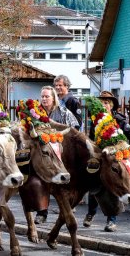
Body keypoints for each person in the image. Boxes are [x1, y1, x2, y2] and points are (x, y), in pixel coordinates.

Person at [84, 91, 130, 232]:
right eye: (101, 103)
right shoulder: (95, 120)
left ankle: (111, 221)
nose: (104, 105)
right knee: (94, 185)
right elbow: (92, 139)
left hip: (116, 159)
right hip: (101, 157)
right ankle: (91, 213)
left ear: (111, 105)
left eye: (106, 103)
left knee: (114, 188)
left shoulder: (118, 119)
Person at [34, 85, 80, 224]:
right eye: (42, 96)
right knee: (41, 181)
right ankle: (42, 212)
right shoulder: (35, 113)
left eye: (47, 96)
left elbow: (75, 129)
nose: (44, 99)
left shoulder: (64, 112)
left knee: (63, 185)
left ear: (54, 98)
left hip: (61, 153)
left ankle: (66, 211)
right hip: (43, 155)